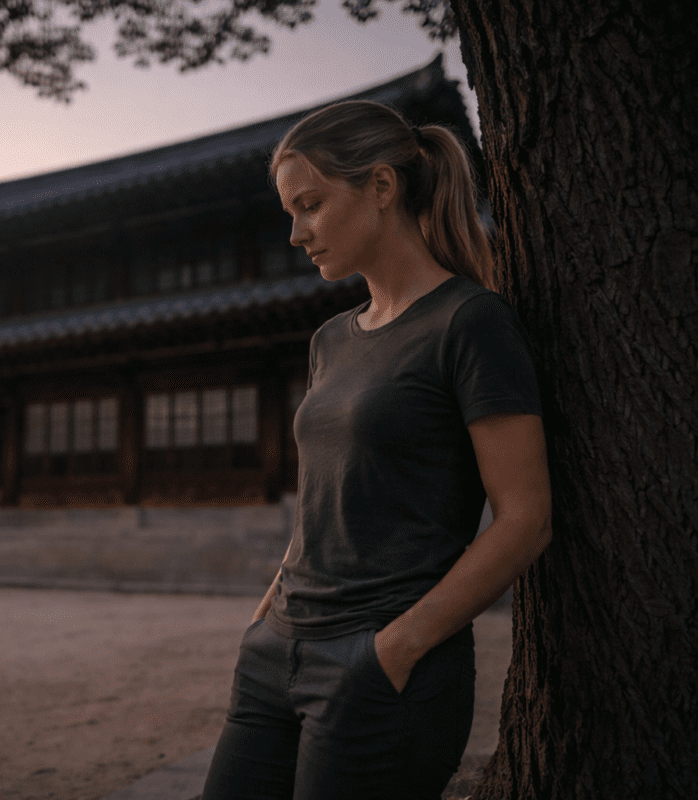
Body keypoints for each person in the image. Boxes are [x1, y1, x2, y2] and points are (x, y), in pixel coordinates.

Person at [200, 101, 552, 799]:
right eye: (289, 212)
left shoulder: (471, 323)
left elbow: (527, 519)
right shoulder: (330, 339)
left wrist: (395, 650)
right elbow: (329, 491)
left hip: (379, 666)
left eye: (311, 205)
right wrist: (268, 609)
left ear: (382, 188)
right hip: (277, 649)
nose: (297, 233)